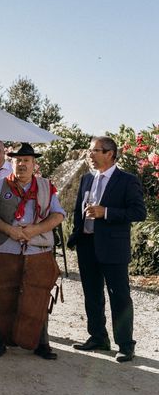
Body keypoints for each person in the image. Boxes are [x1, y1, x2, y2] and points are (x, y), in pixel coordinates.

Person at [67, 136, 146, 362]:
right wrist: (76, 236)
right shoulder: (86, 179)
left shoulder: (127, 181)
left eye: (95, 151)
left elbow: (139, 212)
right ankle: (98, 337)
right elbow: (77, 211)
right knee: (92, 295)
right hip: (87, 245)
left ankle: (126, 345)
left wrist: (107, 212)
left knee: (119, 296)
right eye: (89, 151)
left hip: (113, 247)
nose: (89, 155)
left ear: (110, 154)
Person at [0, 143, 65, 360]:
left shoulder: (46, 187)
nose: (22, 164)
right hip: (5, 249)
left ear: (34, 163)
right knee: (2, 295)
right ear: (11, 162)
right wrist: (10, 230)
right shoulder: (0, 186)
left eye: (26, 160)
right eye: (17, 160)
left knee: (38, 296)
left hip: (37, 250)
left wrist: (34, 230)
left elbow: (58, 215)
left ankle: (42, 344)